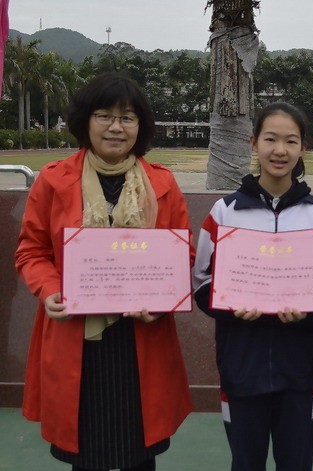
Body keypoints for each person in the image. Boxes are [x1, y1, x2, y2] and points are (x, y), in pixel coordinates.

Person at [15, 73, 193, 471]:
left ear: (140, 126)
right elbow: (32, 251)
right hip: (76, 336)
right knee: (86, 451)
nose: (116, 127)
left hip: (140, 338)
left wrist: (162, 301)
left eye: (128, 118)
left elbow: (183, 256)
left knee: (138, 452)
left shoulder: (162, 183)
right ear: (85, 121)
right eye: (104, 115)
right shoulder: (52, 180)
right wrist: (48, 290)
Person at [193, 102, 313, 471]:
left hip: (300, 365)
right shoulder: (224, 212)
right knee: (246, 461)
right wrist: (230, 306)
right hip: (242, 361)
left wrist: (310, 311)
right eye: (270, 139)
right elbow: (201, 282)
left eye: (290, 141)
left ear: (303, 147)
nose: (280, 150)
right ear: (253, 142)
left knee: (296, 462)